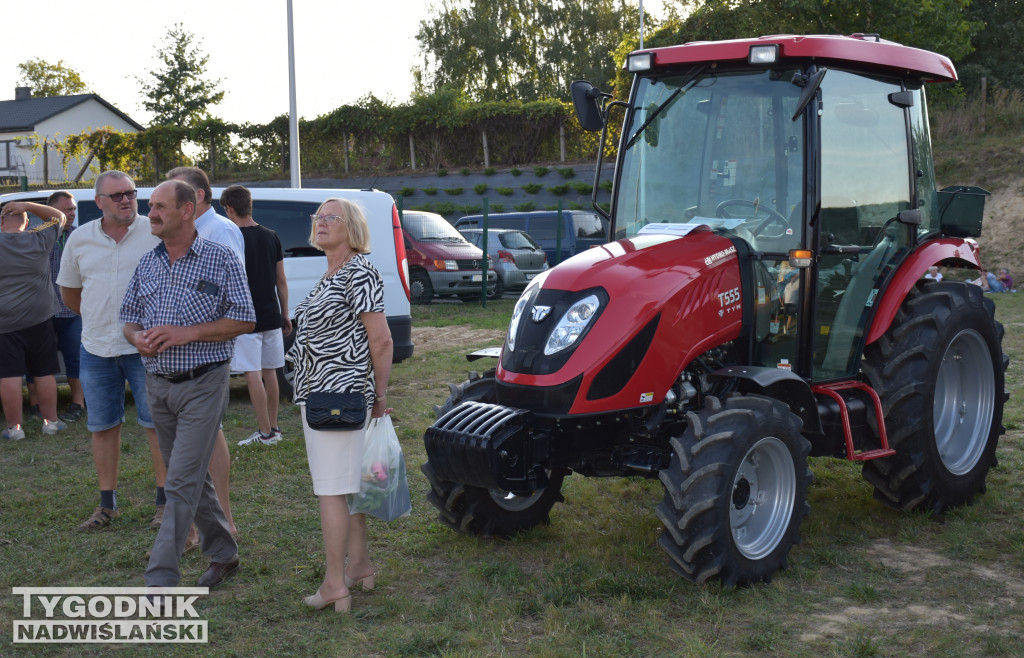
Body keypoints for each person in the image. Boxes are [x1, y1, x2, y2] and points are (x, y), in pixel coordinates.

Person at [121, 179, 255, 589]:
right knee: (194, 480)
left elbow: (246, 318)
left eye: (160, 206)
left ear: (188, 209)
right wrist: (137, 338)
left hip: (203, 383)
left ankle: (160, 580)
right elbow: (129, 318)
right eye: (151, 206)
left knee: (178, 482)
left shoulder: (221, 258)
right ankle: (225, 555)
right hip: (157, 385)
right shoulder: (148, 262)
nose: (152, 213)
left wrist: (188, 333)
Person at [58, 172, 180, 534]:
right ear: (98, 202)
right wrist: (100, 318)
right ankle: (107, 504)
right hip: (96, 347)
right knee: (102, 426)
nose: (126, 200)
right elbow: (70, 293)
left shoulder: (155, 231)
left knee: (156, 425)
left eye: (130, 193)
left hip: (147, 348)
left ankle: (164, 502)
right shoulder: (79, 239)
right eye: (116, 196)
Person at [287, 198, 392, 613]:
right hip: (325, 395)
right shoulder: (333, 271)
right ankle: (360, 564)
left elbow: (381, 340)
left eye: (332, 217)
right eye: (318, 217)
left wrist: (380, 398)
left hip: (337, 398)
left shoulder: (359, 270)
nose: (321, 222)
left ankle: (334, 584)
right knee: (347, 486)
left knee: (331, 490)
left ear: (353, 227)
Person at [166, 166, 242, 534]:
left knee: (209, 434)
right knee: (201, 435)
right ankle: (207, 522)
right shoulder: (184, 233)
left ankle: (219, 519)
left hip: (206, 349)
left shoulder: (221, 230)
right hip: (180, 352)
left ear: (193, 198)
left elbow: (229, 292)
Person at [220, 185, 292, 446]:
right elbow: (281, 280)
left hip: (244, 318)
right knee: (271, 372)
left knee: (252, 373)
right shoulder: (272, 236)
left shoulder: (231, 238)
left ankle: (265, 433)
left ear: (229, 208)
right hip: (271, 314)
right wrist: (285, 313)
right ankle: (274, 428)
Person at [0, 201, 67, 440]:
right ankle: (51, 422)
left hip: (4, 321)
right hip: (39, 317)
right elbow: (59, 216)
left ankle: (14, 428)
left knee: (8, 375)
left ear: (1, 223)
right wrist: (26, 204)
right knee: (44, 371)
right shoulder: (38, 239)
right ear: (27, 223)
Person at [26, 191, 85, 423]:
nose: (72, 213)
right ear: (52, 212)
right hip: (40, 311)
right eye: (67, 210)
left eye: (73, 209)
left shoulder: (80, 236)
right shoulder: (34, 236)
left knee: (75, 358)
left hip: (71, 310)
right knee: (36, 360)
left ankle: (77, 404)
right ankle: (35, 406)